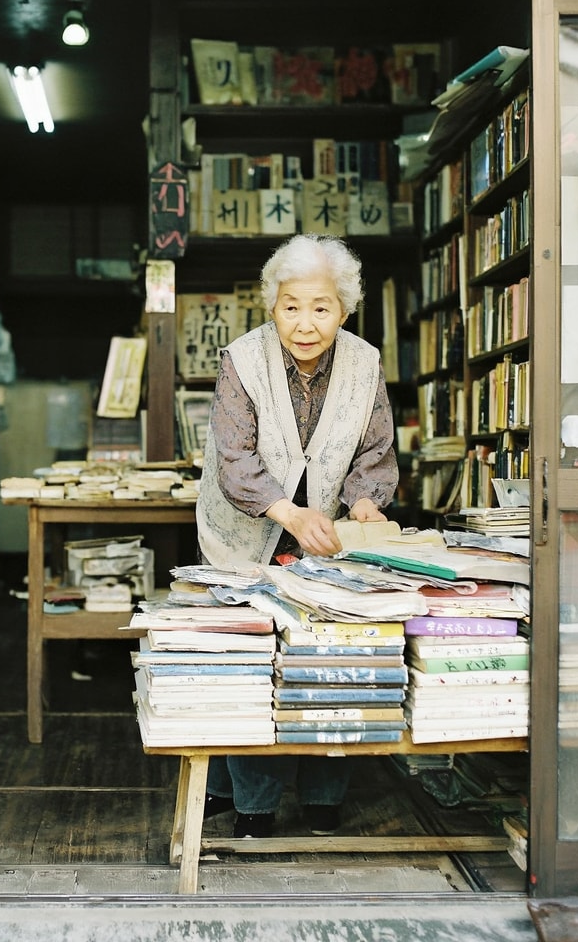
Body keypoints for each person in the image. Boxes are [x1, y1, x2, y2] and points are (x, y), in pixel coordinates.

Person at [195, 233, 399, 839]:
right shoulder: (242, 359)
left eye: (321, 308)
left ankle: (322, 800)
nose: (305, 323)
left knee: (329, 658)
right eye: (291, 307)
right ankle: (251, 807)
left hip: (327, 537)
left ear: (344, 309)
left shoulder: (365, 363)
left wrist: (365, 504)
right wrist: (290, 514)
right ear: (272, 305)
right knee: (250, 661)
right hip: (246, 532)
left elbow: (375, 450)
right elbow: (235, 459)